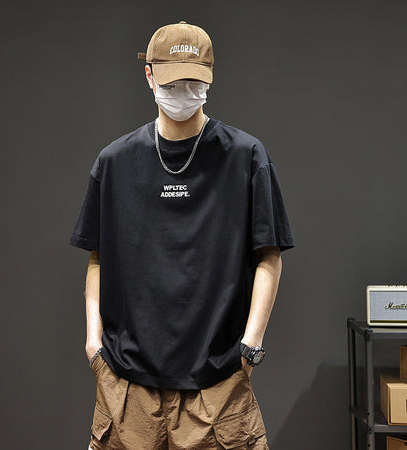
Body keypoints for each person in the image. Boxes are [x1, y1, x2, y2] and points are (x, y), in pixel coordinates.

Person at [70, 20, 295, 450]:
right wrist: (93, 344)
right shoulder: (115, 162)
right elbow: (97, 257)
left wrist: (250, 347)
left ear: (210, 79)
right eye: (173, 82)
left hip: (219, 386)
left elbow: (269, 254)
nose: (183, 92)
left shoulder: (246, 157)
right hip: (127, 388)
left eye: (194, 82)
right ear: (149, 75)